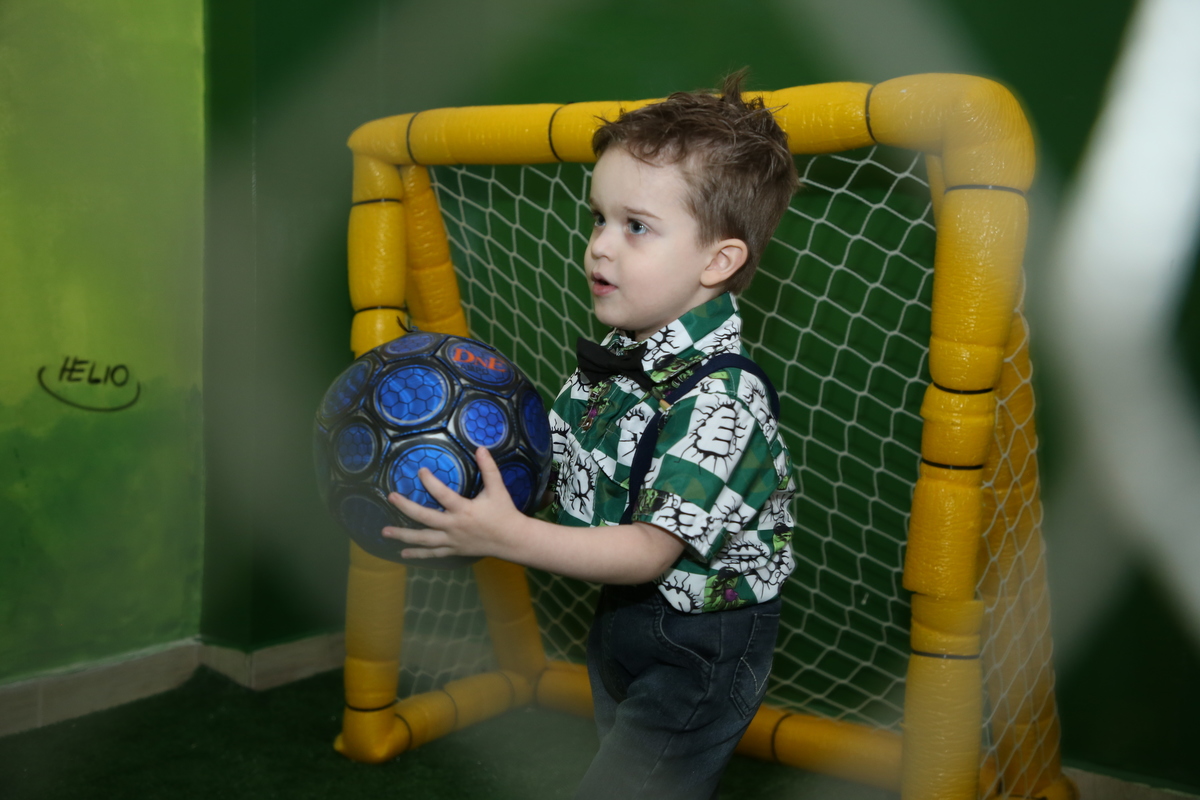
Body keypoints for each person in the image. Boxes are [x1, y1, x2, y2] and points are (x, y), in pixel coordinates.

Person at [383, 71, 799, 799]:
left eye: (636, 226)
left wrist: (507, 536)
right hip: (620, 618)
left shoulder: (722, 399)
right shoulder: (621, 357)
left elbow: (647, 552)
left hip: (702, 642)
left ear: (719, 260)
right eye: (598, 218)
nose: (600, 246)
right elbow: (557, 457)